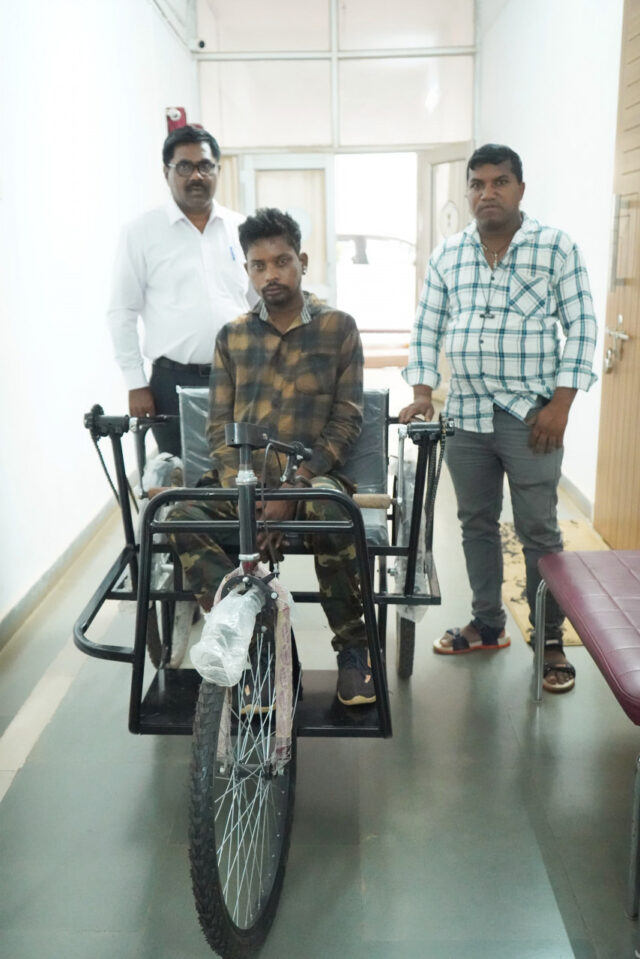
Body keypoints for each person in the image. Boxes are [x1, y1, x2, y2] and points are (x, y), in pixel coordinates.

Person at [399, 143, 597, 693]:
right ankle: (487, 623)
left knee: (539, 530)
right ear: (468, 192)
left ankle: (550, 637)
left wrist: (561, 406)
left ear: (520, 189)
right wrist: (422, 391)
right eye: (477, 184)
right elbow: (427, 326)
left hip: (532, 418)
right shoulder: (449, 255)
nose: (488, 192)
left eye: (500, 182)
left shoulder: (555, 248)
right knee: (477, 524)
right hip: (466, 416)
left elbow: (582, 327)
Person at [168, 208, 375, 706]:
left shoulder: (338, 328)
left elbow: (346, 421)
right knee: (178, 517)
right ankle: (259, 642)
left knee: (333, 512)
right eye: (258, 266)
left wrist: (292, 487)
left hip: (311, 479)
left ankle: (353, 650)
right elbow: (219, 428)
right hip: (244, 481)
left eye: (281, 262)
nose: (271, 274)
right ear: (248, 271)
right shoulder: (233, 337)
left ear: (302, 261)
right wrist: (251, 498)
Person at [107, 125, 254, 455]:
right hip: (172, 383)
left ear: (217, 170)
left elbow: (259, 303)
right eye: (184, 167)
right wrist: (135, 383)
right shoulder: (141, 233)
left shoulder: (241, 228)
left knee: (244, 470)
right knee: (179, 472)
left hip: (239, 378)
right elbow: (122, 312)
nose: (196, 176)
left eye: (205, 166)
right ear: (167, 172)